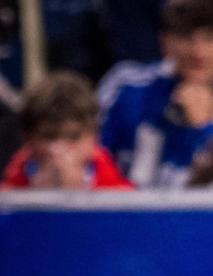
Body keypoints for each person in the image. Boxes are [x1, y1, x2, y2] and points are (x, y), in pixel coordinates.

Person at [98, 0, 213, 188]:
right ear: (165, 42)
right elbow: (91, 156)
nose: (198, 52)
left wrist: (200, 130)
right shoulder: (125, 86)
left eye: (210, 37)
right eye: (186, 36)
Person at [3, 71, 132, 190]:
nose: (59, 149)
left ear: (94, 137)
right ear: (28, 138)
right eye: (49, 137)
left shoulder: (123, 196)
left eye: (73, 137)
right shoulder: (7, 197)